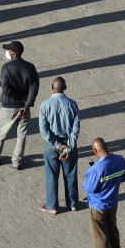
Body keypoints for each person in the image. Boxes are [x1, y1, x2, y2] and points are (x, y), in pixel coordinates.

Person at [0, 41, 39, 169]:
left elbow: (5, 89)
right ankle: (17, 161)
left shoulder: (6, 68)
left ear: (14, 54)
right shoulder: (30, 67)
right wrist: (25, 105)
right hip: (24, 107)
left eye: (9, 51)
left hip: (8, 106)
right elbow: (34, 88)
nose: (7, 53)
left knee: (1, 132)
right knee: (21, 134)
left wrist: (19, 101)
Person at [84, 137, 125, 248]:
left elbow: (88, 187)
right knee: (113, 230)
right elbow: (124, 177)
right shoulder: (120, 160)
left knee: (100, 235)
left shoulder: (96, 169)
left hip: (98, 206)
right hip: (113, 203)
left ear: (95, 151)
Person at [39, 77, 81, 214]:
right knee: (70, 174)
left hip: (51, 145)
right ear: (65, 87)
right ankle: (73, 204)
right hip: (68, 143)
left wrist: (58, 145)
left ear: (52, 86)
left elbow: (44, 131)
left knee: (51, 175)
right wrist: (68, 147)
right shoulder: (73, 104)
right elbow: (75, 130)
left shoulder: (45, 105)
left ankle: (52, 206)